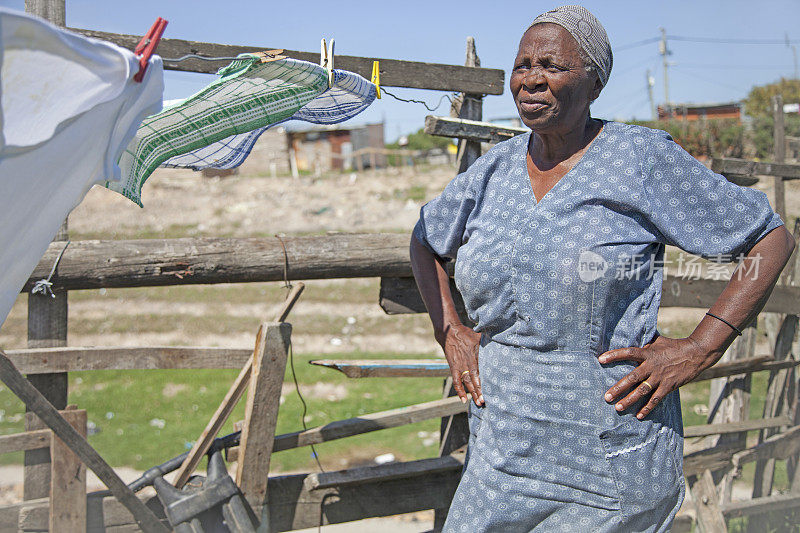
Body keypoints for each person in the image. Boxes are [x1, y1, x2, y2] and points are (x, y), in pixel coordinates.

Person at [409, 5, 796, 532]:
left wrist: (702, 345)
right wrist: (450, 329)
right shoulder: (494, 171)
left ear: (594, 81)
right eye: (523, 65)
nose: (531, 79)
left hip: (608, 457)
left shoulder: (640, 159)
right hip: (503, 453)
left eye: (551, 65)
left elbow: (768, 239)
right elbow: (425, 239)